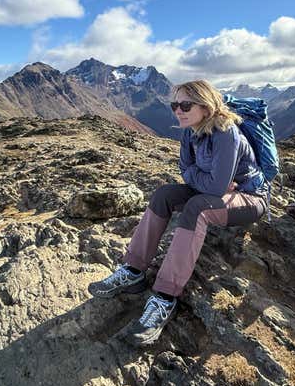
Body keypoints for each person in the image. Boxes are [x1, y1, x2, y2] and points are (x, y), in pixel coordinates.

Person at [88, 79, 269, 346]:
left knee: (197, 209)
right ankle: (133, 270)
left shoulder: (225, 132)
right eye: (175, 105)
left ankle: (165, 296)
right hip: (215, 192)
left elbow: (211, 184)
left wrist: (207, 181)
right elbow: (188, 171)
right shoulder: (190, 131)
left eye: (185, 105)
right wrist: (207, 180)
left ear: (206, 106)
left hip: (249, 198)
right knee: (164, 194)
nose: (178, 111)